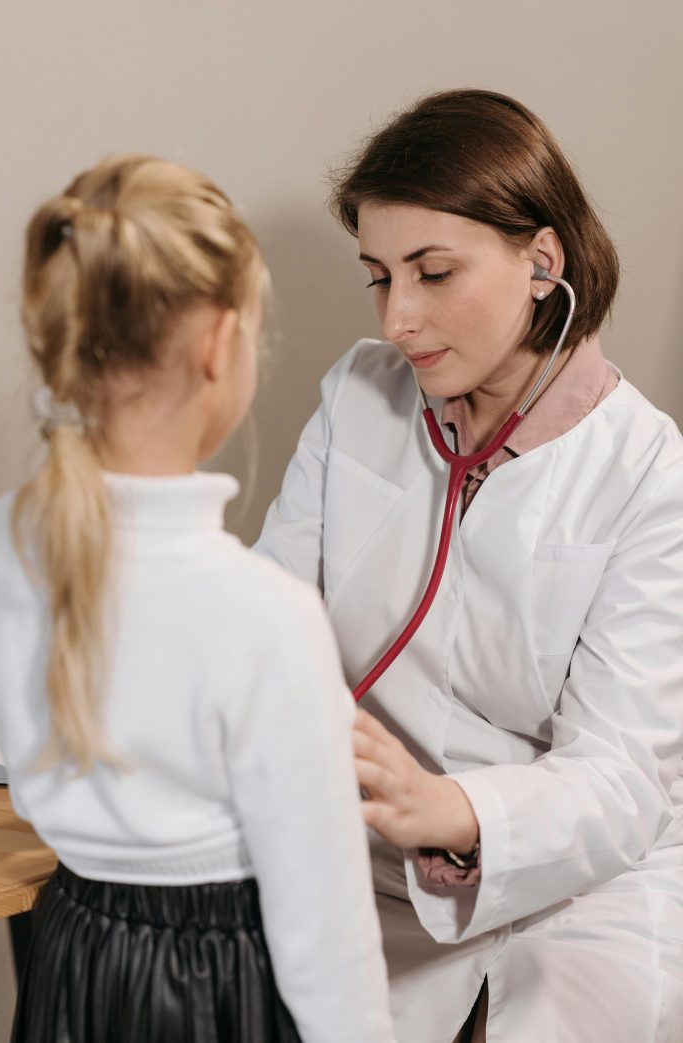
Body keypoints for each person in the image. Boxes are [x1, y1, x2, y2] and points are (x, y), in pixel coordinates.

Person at [255, 90, 683, 1042]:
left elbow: (620, 776)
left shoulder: (649, 475)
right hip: (366, 850)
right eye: (380, 278)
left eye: (434, 272)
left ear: (543, 262)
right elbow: (266, 615)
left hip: (575, 881)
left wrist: (447, 809)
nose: (399, 319)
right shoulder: (360, 394)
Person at [0, 155, 396, 1043]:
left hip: (68, 955)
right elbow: (326, 936)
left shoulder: (1, 546)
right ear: (218, 343)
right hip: (217, 987)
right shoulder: (266, 616)